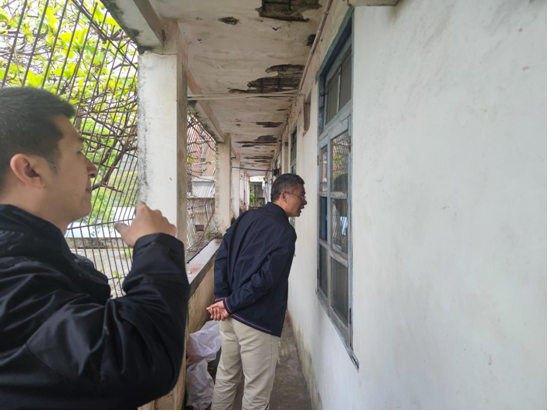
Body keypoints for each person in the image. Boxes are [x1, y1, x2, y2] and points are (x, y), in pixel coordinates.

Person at [0, 87, 189, 408]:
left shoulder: (33, 263)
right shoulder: (10, 280)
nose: (92, 167)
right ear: (30, 170)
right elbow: (139, 359)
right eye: (78, 152)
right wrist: (156, 248)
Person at [207, 173, 307, 410]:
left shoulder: (247, 217)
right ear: (284, 196)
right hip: (256, 321)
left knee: (226, 377)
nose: (304, 202)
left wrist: (223, 299)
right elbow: (265, 280)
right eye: (301, 196)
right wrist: (229, 303)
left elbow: (222, 256)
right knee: (256, 393)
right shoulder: (285, 232)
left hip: (230, 317)